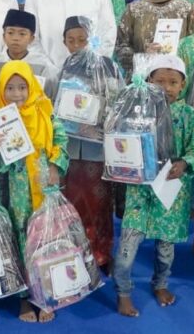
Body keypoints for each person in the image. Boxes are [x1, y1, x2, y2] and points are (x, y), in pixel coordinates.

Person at [114, 54, 194, 317]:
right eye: (160, 81)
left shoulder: (189, 116)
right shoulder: (137, 112)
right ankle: (123, 292)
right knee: (127, 248)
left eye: (173, 82)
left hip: (171, 191)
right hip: (140, 191)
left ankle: (161, 283)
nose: (166, 88)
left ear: (183, 84)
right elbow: (122, 141)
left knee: (166, 249)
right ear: (149, 82)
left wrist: (184, 163)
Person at [0, 62, 68, 323]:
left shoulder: (45, 110)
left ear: (32, 87)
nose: (17, 94)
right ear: (2, 90)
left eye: (22, 87)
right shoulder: (0, 119)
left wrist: (55, 165)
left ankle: (47, 294)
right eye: (10, 88)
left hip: (45, 186)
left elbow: (61, 140)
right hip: (18, 193)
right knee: (22, 236)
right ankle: (24, 297)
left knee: (47, 236)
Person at [59, 16, 121, 274]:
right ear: (64, 42)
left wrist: (96, 122)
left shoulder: (107, 66)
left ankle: (101, 254)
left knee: (99, 203)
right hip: (71, 148)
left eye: (81, 40)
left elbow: (118, 104)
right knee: (72, 203)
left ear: (91, 39)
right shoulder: (65, 67)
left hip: (97, 149)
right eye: (71, 40)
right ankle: (74, 253)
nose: (76, 45)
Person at [115, 0, 192, 76]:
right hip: (143, 81)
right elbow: (120, 47)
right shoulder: (133, 10)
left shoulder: (186, 9)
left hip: (178, 80)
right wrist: (144, 57)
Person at [0, 9, 57, 83]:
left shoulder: (42, 65)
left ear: (31, 39)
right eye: (10, 33)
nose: (16, 38)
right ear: (4, 36)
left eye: (22, 34)